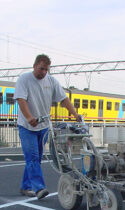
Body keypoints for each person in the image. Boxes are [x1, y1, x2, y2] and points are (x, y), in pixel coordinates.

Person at [14, 54, 82, 199]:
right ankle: (39, 188)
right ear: (34, 66)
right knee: (32, 157)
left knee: (36, 158)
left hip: (43, 126)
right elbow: (21, 100)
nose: (43, 72)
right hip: (27, 126)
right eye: (41, 69)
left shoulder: (51, 81)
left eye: (46, 69)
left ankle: (26, 187)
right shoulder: (24, 79)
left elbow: (64, 99)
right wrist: (29, 117)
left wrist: (75, 115)